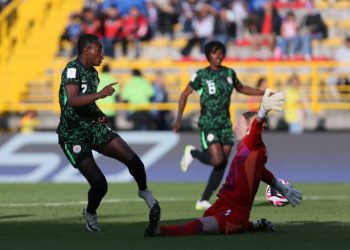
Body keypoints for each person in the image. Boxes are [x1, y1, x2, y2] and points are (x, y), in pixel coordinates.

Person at [144, 89, 303, 236]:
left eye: (239, 125)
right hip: (223, 204)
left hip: (235, 211)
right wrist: (280, 186)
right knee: (207, 217)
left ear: (248, 129)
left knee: (200, 225)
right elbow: (261, 172)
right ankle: (253, 225)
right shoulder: (248, 151)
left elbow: (256, 127)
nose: (235, 129)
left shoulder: (253, 143)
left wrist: (262, 111)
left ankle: (159, 231)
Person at [56, 34, 160, 232]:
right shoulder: (71, 69)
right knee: (100, 185)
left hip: (93, 128)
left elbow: (87, 102)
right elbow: (73, 100)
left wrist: (98, 113)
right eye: (99, 50)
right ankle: (90, 212)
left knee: (134, 160)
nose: (103, 55)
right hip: (73, 135)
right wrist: (100, 94)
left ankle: (144, 191)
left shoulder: (94, 74)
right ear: (87, 51)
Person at [174, 40, 266, 210]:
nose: (219, 56)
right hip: (208, 122)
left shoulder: (229, 73)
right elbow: (184, 94)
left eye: (221, 52)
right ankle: (193, 153)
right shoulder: (201, 75)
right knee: (217, 159)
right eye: (215, 53)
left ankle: (203, 200)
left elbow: (242, 88)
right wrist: (179, 118)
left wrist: (264, 93)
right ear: (208, 55)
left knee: (222, 163)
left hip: (225, 123)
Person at [96, 63, 118, 130]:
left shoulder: (97, 79)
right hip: (111, 109)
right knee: (112, 134)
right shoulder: (112, 79)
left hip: (99, 109)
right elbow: (117, 95)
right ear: (109, 70)